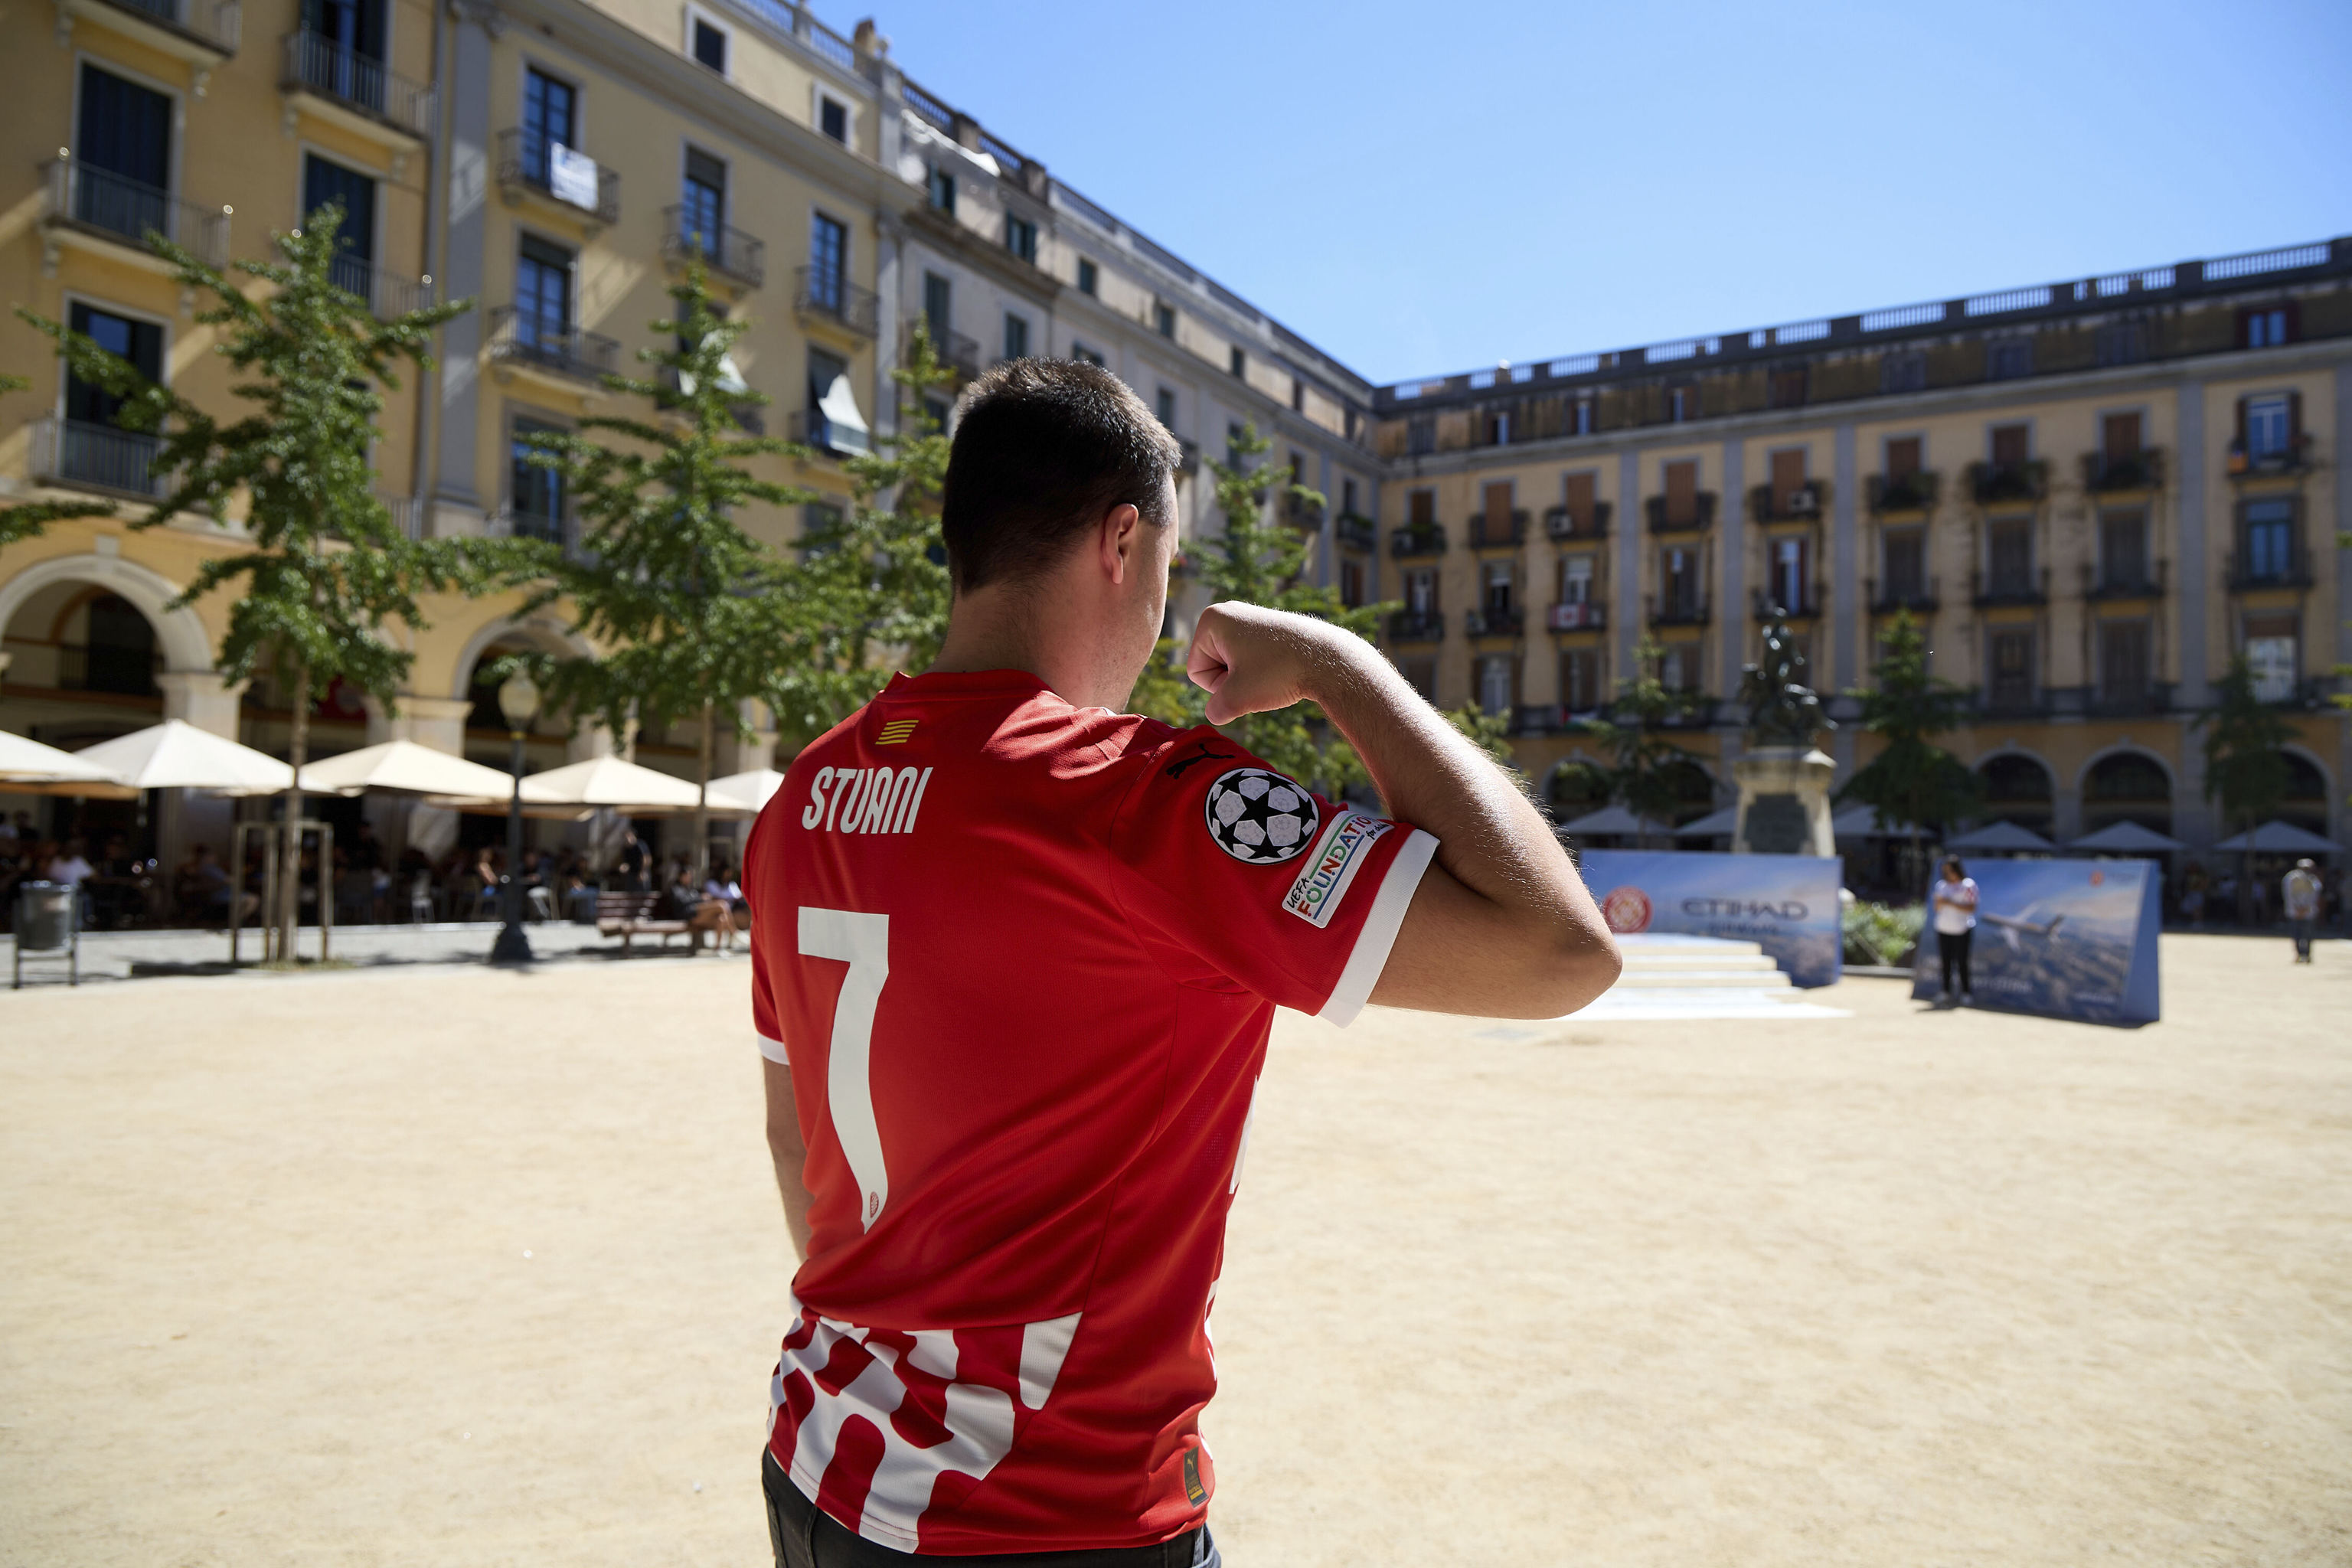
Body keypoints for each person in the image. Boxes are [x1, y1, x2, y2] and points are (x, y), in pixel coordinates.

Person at [743, 360, 1619, 1566]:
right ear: (1122, 540)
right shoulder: (1141, 798)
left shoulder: (802, 797)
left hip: (820, 1460)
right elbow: (1560, 950)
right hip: (1047, 1512)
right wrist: (1336, 664)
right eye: (1171, 561)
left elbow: (800, 1148)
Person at [1929, 854, 1978, 1004]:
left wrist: (1949, 902)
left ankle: (1966, 992)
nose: (1947, 873)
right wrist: (1940, 902)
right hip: (1943, 928)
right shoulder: (1941, 886)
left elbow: (1971, 908)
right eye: (1945, 870)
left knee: (1962, 962)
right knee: (1945, 962)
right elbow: (1936, 908)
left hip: (1962, 929)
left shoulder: (1968, 885)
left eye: (1950, 870)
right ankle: (1945, 991)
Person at [2282, 857, 2322, 963]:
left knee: (2308, 935)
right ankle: (2299, 954)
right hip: (2294, 911)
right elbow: (2288, 895)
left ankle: (2307, 954)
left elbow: (2315, 895)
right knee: (2296, 935)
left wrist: (2306, 908)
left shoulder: (2313, 879)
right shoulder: (2291, 878)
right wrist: (2297, 908)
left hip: (2308, 912)